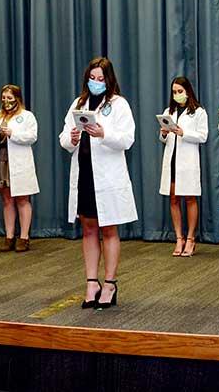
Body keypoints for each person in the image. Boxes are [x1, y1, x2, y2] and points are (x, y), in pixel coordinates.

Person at [59, 57, 137, 310]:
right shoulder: (78, 103)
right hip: (84, 175)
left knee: (109, 229)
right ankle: (92, 282)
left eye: (100, 79)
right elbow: (63, 137)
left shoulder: (118, 104)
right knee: (88, 228)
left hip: (107, 176)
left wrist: (104, 133)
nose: (95, 83)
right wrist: (70, 138)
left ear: (109, 79)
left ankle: (110, 283)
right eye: (92, 78)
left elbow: (127, 139)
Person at [0, 84, 39, 252]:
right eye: (4, 97)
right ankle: (9, 237)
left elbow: (32, 137)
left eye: (10, 98)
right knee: (7, 200)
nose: (6, 101)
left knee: (22, 199)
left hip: (19, 161)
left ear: (17, 98)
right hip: (2, 161)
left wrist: (12, 133)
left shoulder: (27, 116)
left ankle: (24, 237)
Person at [158, 76, 208, 257]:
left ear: (187, 91)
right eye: (174, 92)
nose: (177, 95)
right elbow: (164, 140)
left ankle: (190, 239)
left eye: (180, 91)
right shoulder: (168, 111)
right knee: (173, 199)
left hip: (187, 162)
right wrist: (163, 133)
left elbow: (203, 136)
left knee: (190, 199)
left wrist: (183, 133)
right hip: (172, 160)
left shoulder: (199, 111)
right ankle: (179, 237)